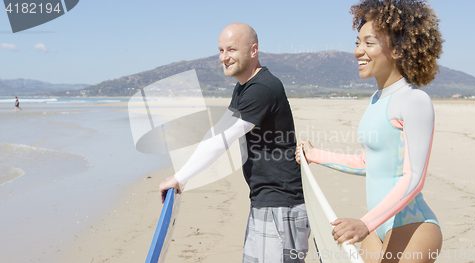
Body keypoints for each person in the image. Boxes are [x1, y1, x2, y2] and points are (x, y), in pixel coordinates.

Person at [296, 0, 444, 262]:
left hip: (412, 225)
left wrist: (364, 223)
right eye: (357, 42)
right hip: (377, 228)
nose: (358, 51)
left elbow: (414, 178)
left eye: (369, 43)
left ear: (398, 49)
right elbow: (368, 163)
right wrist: (315, 155)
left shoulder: (414, 101)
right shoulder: (377, 99)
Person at [159, 23, 310, 262]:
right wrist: (182, 175)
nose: (223, 57)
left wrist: (181, 177)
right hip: (265, 201)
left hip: (281, 206)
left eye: (231, 49)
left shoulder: (262, 88)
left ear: (253, 51)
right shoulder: (243, 88)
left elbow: (222, 140)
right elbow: (216, 132)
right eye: (220, 50)